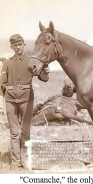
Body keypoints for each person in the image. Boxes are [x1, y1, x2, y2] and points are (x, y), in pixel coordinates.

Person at [0, 34, 50, 170]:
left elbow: (44, 78)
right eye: (15, 45)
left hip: (27, 99)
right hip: (10, 100)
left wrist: (46, 70)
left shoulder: (30, 61)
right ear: (12, 47)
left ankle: (25, 161)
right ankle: (15, 163)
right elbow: (1, 85)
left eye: (20, 44)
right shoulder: (6, 63)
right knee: (14, 132)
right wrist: (1, 103)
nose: (18, 47)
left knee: (25, 131)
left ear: (24, 45)